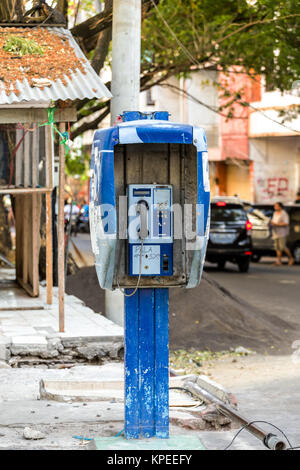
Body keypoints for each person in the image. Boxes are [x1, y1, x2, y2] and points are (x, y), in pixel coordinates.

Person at [271, 202, 294, 266]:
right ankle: (279, 261)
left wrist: (277, 224)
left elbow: (286, 223)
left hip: (282, 232)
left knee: (283, 247)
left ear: (280, 207)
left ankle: (291, 258)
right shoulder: (275, 213)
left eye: (276, 206)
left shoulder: (284, 214)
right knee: (277, 248)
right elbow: (273, 221)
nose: (275, 207)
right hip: (275, 232)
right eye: (274, 206)